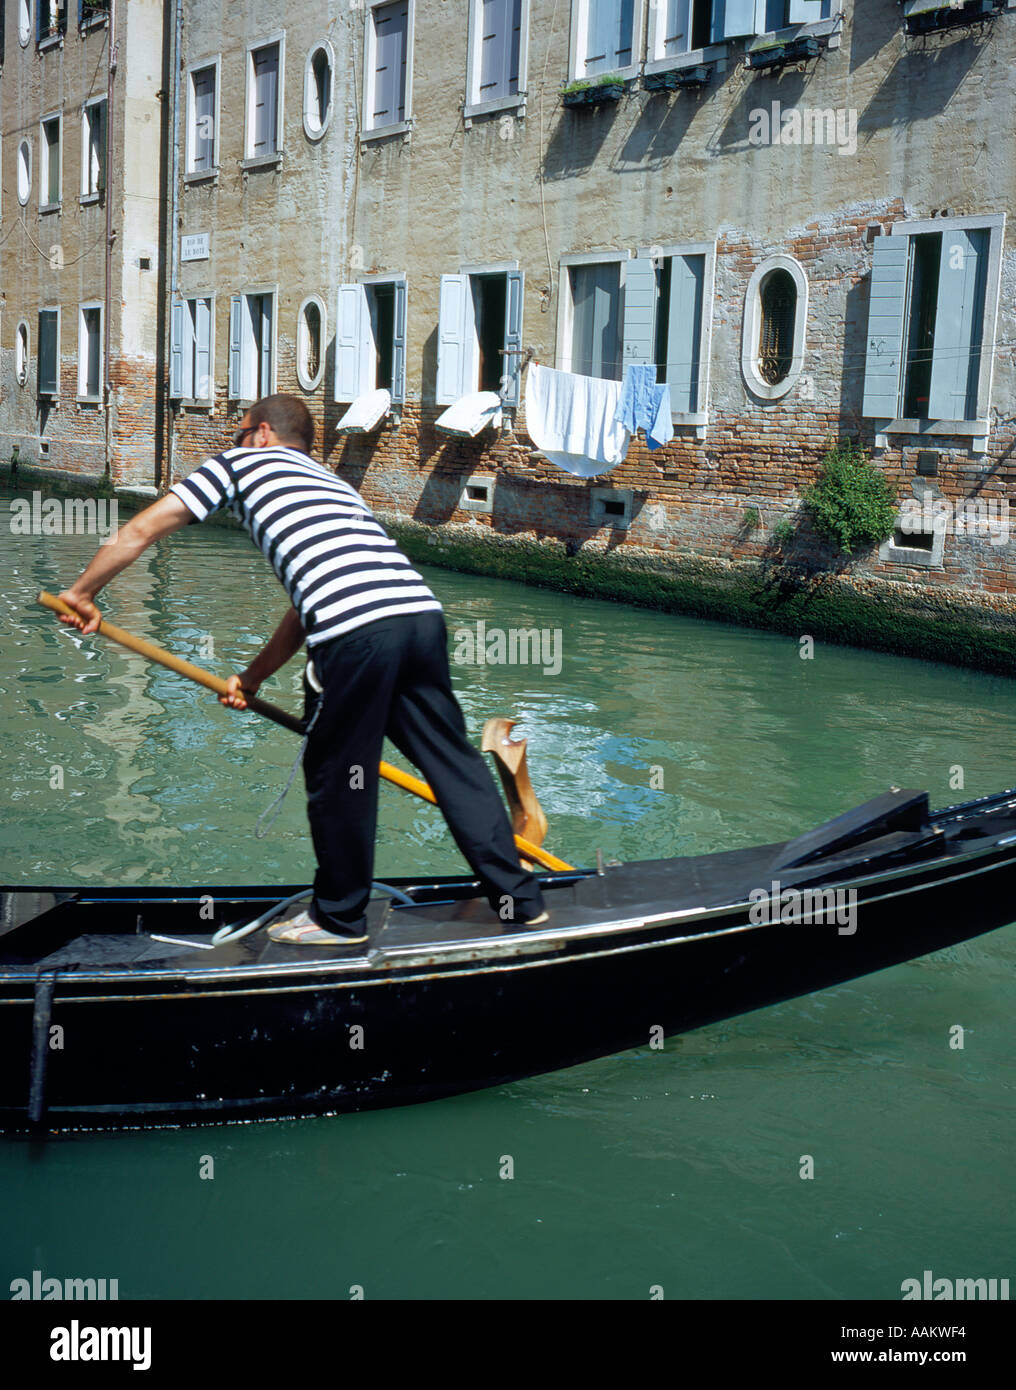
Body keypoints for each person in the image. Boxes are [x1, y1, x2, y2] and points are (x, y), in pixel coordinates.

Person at [55, 393, 547, 945]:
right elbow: (305, 604)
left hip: (356, 632)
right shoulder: (330, 483)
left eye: (240, 433)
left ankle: (339, 918)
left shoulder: (240, 463)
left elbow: (141, 530)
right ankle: (520, 901)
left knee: (338, 774)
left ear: (261, 433)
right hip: (419, 618)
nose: (234, 443)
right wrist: (256, 675)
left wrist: (82, 592)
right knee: (453, 764)